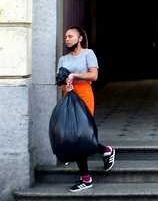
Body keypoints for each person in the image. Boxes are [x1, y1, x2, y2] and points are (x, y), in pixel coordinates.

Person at [58, 26, 115, 192]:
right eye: (65, 37)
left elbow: (94, 75)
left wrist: (75, 76)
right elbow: (60, 82)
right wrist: (65, 87)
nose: (67, 39)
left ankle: (86, 178)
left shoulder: (88, 54)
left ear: (80, 38)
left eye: (70, 36)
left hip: (84, 94)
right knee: (78, 136)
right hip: (69, 96)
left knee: (79, 135)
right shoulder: (63, 59)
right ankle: (105, 150)